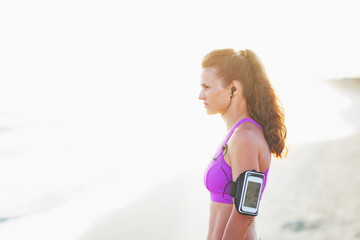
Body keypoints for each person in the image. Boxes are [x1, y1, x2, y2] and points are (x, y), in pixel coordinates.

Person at [199, 49, 287, 240]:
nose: (200, 95)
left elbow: (246, 212)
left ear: (234, 89)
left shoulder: (244, 138)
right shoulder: (236, 135)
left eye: (207, 87)